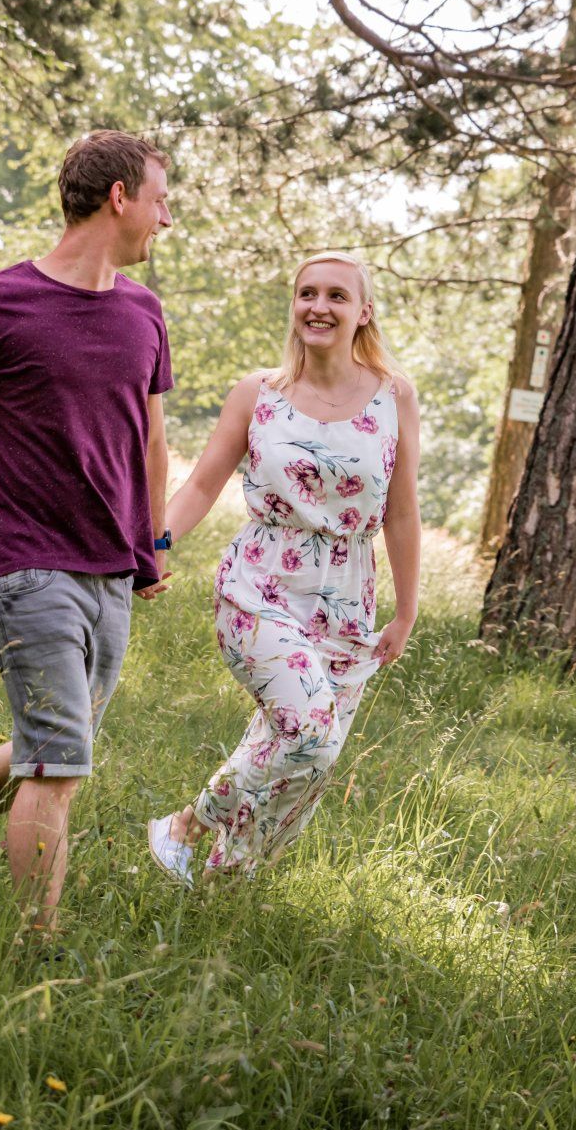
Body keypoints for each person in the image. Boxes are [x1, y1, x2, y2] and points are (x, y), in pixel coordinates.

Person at [0, 130, 175, 938]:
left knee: (49, 748)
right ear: (119, 197)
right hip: (26, 566)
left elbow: (152, 440)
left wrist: (154, 546)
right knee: (59, 764)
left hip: (111, 573)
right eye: (160, 200)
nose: (166, 218)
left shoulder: (145, 313)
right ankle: (32, 955)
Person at [145, 250, 421, 885]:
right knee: (309, 733)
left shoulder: (395, 396)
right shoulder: (258, 393)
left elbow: (403, 512)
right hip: (260, 586)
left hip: (348, 600)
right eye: (307, 294)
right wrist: (153, 547)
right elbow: (202, 484)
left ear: (364, 312)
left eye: (336, 296)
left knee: (309, 759)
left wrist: (406, 611)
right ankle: (185, 826)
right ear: (294, 305)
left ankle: (223, 886)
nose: (318, 307)